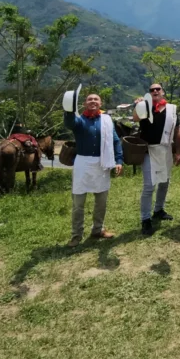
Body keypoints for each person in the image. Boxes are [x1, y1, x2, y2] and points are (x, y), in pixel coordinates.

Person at [63, 92, 124, 246]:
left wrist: (118, 160)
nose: (93, 101)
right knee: (78, 203)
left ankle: (97, 229)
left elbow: (116, 141)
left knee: (101, 201)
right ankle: (76, 235)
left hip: (102, 163)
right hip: (83, 164)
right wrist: (68, 108)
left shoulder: (107, 120)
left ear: (100, 103)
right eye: (89, 99)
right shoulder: (79, 120)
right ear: (84, 103)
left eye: (96, 99)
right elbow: (69, 123)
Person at [133, 83, 180, 237]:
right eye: (151, 90)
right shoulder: (144, 107)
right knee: (149, 186)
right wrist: (138, 105)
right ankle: (145, 219)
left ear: (163, 92)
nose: (155, 91)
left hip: (166, 150)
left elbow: (177, 131)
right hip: (149, 150)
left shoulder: (172, 109)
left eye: (157, 89)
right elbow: (135, 119)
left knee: (164, 181)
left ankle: (158, 209)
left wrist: (178, 152)